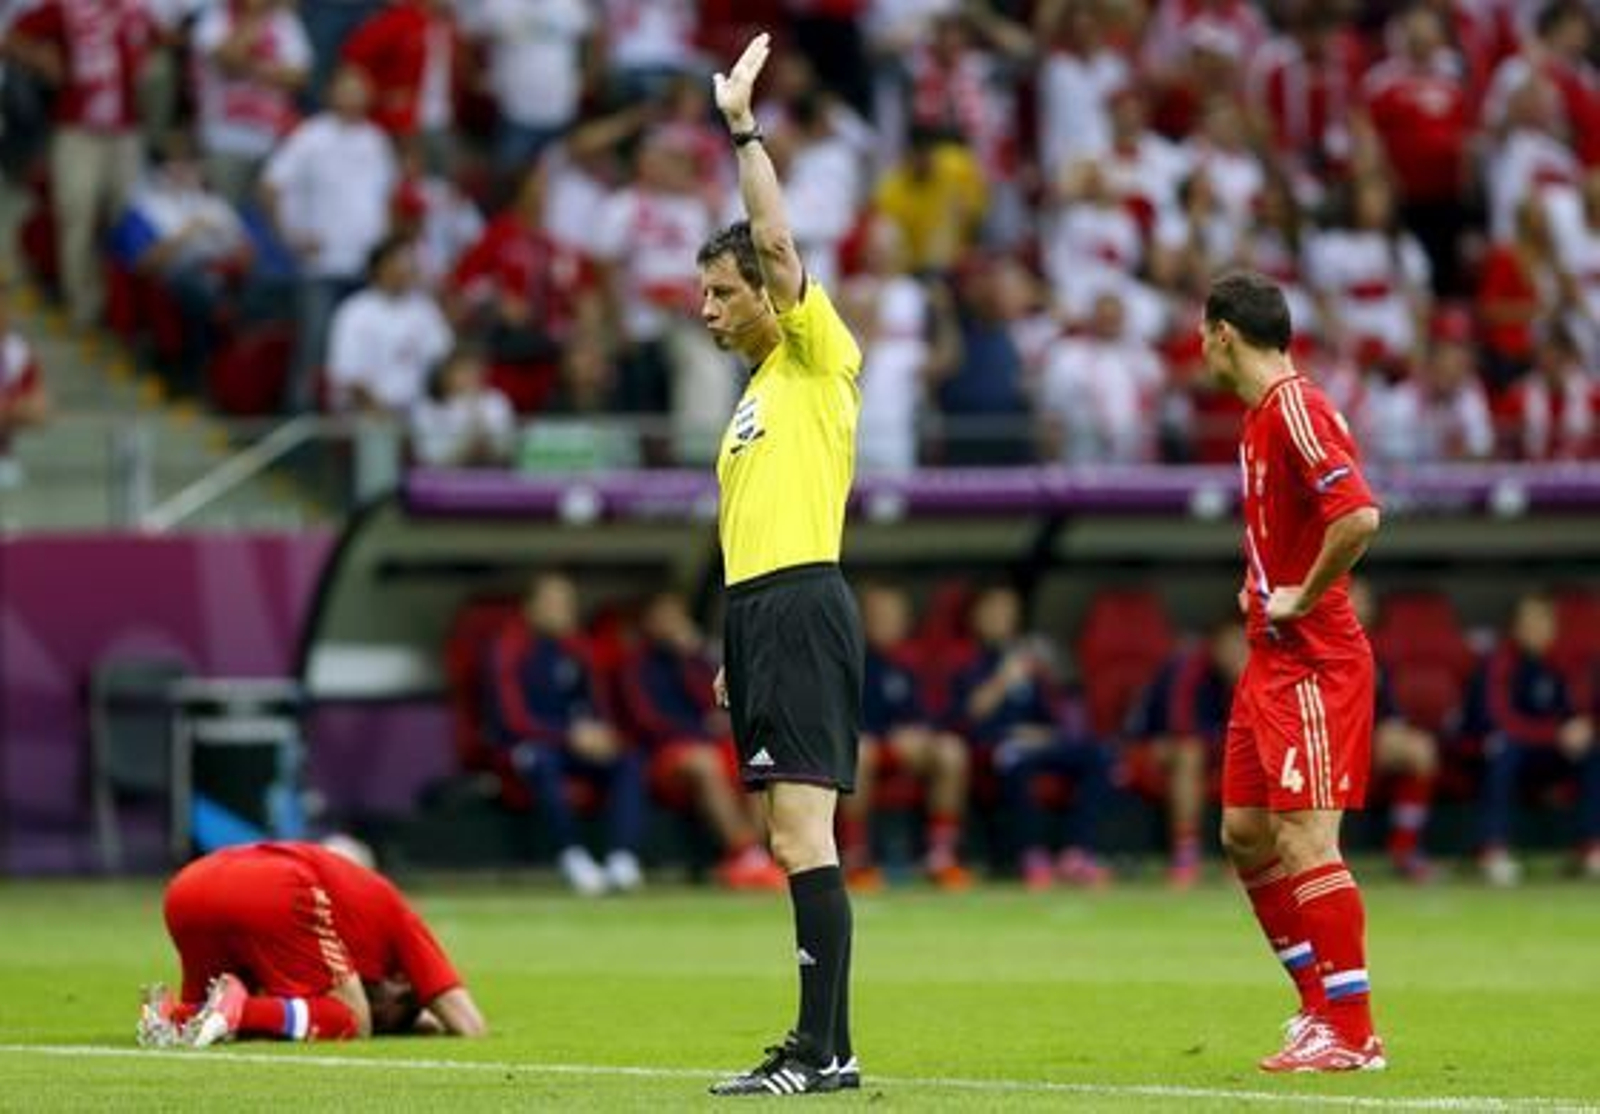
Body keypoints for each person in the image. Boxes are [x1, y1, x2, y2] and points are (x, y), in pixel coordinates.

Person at [697, 33, 864, 1097]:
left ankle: (822, 1049)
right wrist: (735, 646)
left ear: (768, 292)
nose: (707, 309)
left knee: (802, 830)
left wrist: (744, 129)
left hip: (802, 601)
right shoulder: (757, 394)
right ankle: (825, 1047)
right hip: (761, 610)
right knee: (785, 829)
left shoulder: (813, 353)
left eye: (721, 292)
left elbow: (773, 229)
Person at [1200, 270, 1386, 1072]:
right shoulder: (1258, 421)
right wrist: (1262, 579)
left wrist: (1301, 595)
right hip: (1269, 663)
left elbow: (1360, 514)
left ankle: (1352, 1030)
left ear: (1222, 334)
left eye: (1202, 335)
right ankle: (1317, 1008)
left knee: (1308, 839)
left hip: (1313, 661)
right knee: (1245, 833)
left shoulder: (1297, 409)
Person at [138, 840, 487, 1047]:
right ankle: (237, 1012)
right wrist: (427, 1017)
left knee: (203, 1019)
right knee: (352, 1018)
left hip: (188, 886)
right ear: (401, 983)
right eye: (392, 1016)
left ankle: (170, 1015)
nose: (383, 1019)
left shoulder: (346, 910)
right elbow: (470, 1025)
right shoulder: (399, 917)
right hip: (270, 888)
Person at [484, 571, 646, 897]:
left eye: (566, 603)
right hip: (524, 746)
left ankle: (621, 858)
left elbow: (596, 705)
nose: (561, 610)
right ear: (530, 608)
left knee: (628, 760)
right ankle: (573, 857)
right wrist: (568, 736)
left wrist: (601, 734)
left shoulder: (577, 649)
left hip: (575, 745)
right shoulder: (509, 648)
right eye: (552, 602)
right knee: (543, 763)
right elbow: (511, 720)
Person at [617, 589, 786, 892]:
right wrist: (702, 729)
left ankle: (754, 857)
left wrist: (692, 654)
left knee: (760, 756)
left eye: (676, 616)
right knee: (705, 762)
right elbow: (646, 721)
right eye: (663, 616)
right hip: (662, 754)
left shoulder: (696, 658)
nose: (670, 623)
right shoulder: (635, 663)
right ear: (648, 621)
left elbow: (718, 699)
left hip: (709, 744)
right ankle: (748, 856)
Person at [952, 584, 1111, 891]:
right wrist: (1002, 680)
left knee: (1099, 755)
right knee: (1014, 761)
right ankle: (1031, 855)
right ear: (977, 615)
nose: (1002, 617)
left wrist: (1042, 731)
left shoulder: (1026, 658)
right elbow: (968, 715)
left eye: (1008, 610)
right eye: (995, 609)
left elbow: (1052, 715)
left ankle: (1077, 852)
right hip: (992, 746)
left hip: (1036, 743)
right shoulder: (967, 659)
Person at [841, 583, 972, 892]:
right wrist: (890, 736)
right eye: (881, 615)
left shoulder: (904, 665)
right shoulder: (846, 661)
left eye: (896, 615)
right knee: (861, 752)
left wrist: (921, 734)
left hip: (903, 748)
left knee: (952, 751)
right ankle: (855, 858)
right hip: (866, 747)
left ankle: (941, 857)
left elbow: (922, 715)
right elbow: (842, 719)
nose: (891, 622)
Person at [1477, 592, 1600, 886]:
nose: (1538, 629)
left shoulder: (1558, 663)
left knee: (1592, 752)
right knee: (1503, 751)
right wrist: (1555, 734)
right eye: (1530, 621)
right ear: (1515, 627)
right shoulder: (1500, 661)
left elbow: (1574, 711)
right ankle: (1493, 850)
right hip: (1503, 751)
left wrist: (1581, 727)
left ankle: (1590, 846)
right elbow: (1501, 719)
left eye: (1545, 621)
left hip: (1546, 752)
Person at [1124, 619, 1248, 889]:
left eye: (1244, 645)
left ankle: (1248, 858)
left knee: (1265, 756)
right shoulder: (1189, 668)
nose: (1237, 653)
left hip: (1220, 751)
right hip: (1154, 747)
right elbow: (1181, 729)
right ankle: (1186, 851)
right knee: (1190, 753)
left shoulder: (1258, 674)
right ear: (1214, 644)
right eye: (1232, 644)